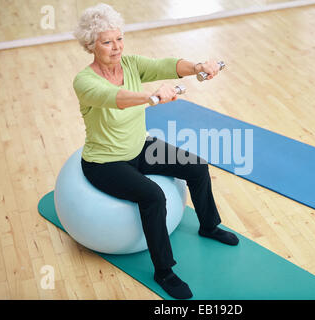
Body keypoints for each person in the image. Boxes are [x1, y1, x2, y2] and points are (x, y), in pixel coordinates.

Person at [73, 3, 239, 299]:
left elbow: (167, 65)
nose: (116, 47)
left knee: (197, 167)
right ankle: (164, 271)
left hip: (140, 147)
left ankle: (209, 226)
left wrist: (198, 67)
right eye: (107, 42)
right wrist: (150, 96)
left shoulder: (131, 64)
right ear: (91, 45)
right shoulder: (84, 82)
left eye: (119, 39)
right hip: (105, 162)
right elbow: (116, 98)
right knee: (153, 195)